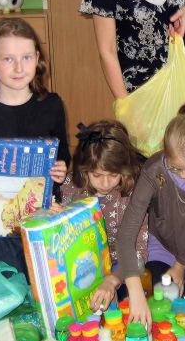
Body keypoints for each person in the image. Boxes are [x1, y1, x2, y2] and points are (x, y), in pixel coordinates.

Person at [0, 17, 70, 275]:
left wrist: (61, 169)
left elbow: (63, 155)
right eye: (8, 59)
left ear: (37, 58)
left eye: (26, 57)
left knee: (44, 279)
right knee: (8, 282)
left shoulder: (51, 105)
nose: (19, 67)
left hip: (42, 214)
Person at [117, 101, 185, 328]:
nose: (184, 175)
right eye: (176, 168)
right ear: (165, 152)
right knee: (159, 301)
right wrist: (135, 292)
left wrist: (180, 266)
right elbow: (126, 233)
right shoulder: (153, 169)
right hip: (163, 238)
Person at [60, 120, 148, 311]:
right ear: (84, 170)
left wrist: (113, 280)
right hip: (80, 266)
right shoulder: (70, 188)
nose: (105, 183)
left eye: (113, 175)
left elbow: (139, 251)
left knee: (122, 303)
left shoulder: (133, 195)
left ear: (124, 171)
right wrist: (54, 215)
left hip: (121, 267)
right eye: (97, 175)